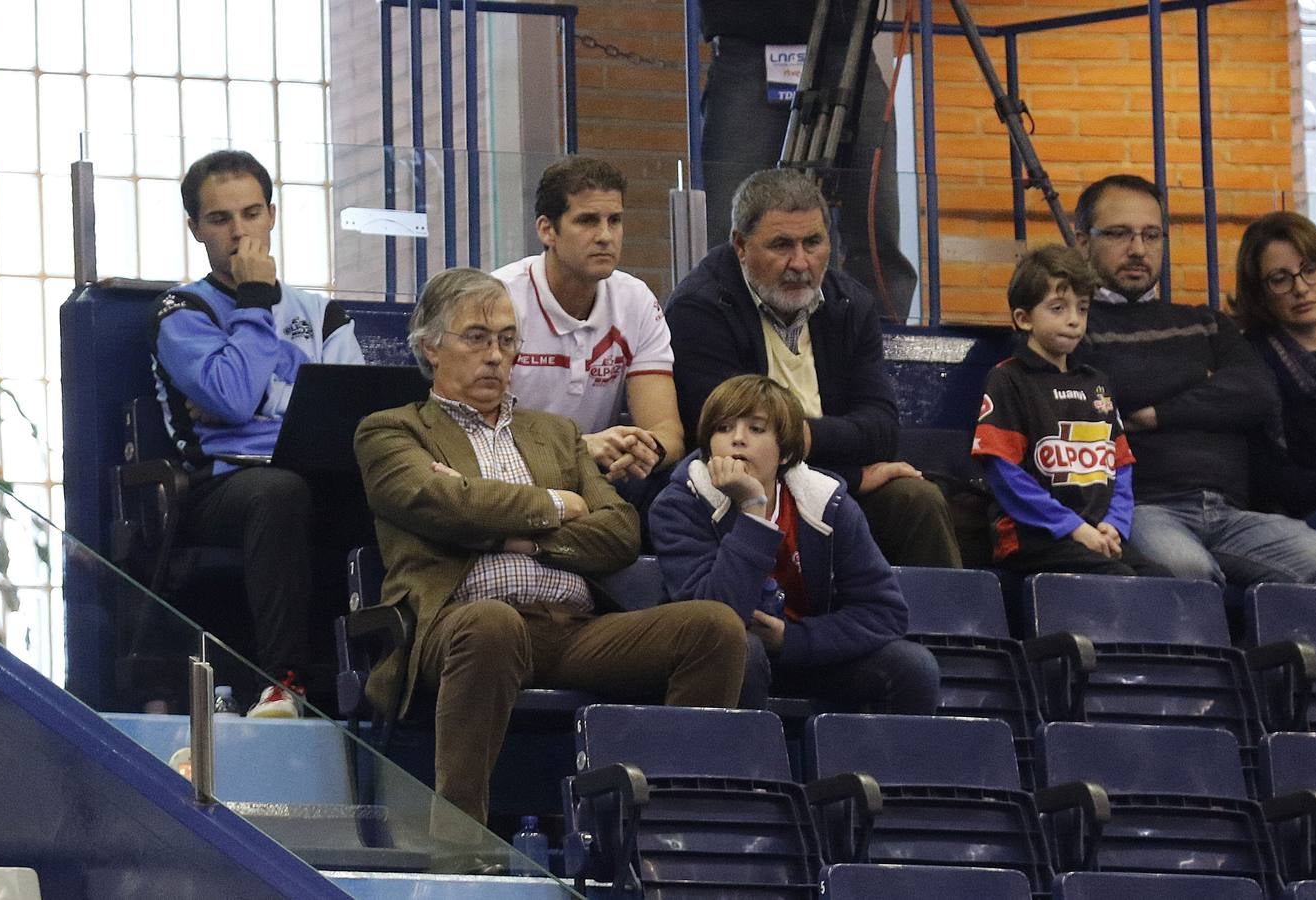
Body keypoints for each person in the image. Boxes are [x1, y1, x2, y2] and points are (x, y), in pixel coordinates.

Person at [353, 267, 747, 828]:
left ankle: (667, 831)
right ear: (430, 348)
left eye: (508, 339)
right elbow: (445, 505)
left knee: (715, 629)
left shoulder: (555, 434)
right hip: (459, 625)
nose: (496, 354)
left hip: (569, 627)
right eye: (476, 337)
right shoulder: (391, 431)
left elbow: (619, 533)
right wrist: (558, 505)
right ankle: (460, 843)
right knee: (492, 623)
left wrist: (522, 541)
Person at [149, 149, 365, 717]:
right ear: (196, 229)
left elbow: (356, 416)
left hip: (321, 475)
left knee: (402, 488)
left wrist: (249, 407)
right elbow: (233, 396)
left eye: (250, 214)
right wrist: (253, 299)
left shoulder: (323, 315)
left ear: (271, 215)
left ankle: (400, 677)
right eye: (220, 220)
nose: (239, 233)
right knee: (279, 490)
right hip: (221, 486)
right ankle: (283, 683)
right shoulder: (181, 311)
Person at [667, 167, 961, 568]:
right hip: (741, 492)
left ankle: (950, 632)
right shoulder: (699, 309)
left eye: (814, 242)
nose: (801, 263)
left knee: (917, 499)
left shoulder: (849, 304)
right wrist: (852, 476)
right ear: (740, 245)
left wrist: (797, 439)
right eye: (781, 245)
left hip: (827, 482)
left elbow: (881, 430)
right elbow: (734, 445)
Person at [1074, 174, 1316, 586]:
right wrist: (1202, 388)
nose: (1138, 249)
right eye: (1120, 234)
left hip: (1234, 512)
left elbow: (1256, 393)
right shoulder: (1073, 327)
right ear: (1083, 242)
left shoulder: (1205, 323)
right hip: (1143, 507)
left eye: (1152, 235)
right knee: (1188, 571)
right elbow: (1103, 396)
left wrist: (1157, 413)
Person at [650, 374, 939, 713]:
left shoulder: (827, 502)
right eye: (723, 428)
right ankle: (744, 767)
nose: (737, 440)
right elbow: (714, 618)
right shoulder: (680, 504)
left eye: (756, 429)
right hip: (721, 659)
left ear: (785, 452)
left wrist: (792, 640)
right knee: (744, 649)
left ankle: (872, 767)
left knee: (913, 668)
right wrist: (753, 512)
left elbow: (884, 613)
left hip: (806, 652)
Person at [491, 157, 684, 529]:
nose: (605, 236)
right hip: (508, 472)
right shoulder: (499, 299)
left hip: (598, 477)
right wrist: (579, 447)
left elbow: (667, 429)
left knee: (686, 478)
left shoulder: (637, 300)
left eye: (615, 220)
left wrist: (647, 450)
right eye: (587, 221)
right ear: (547, 230)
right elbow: (475, 430)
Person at [699, 0, 917, 320]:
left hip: (848, 44)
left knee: (875, 220)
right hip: (747, 42)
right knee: (727, 229)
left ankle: (879, 345)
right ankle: (732, 339)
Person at [973, 245, 1168, 577]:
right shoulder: (1007, 379)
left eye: (1083, 308)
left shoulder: (1098, 383)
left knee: (1166, 584)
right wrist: (1073, 528)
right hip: (1033, 539)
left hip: (1096, 536)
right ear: (1024, 319)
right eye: (1058, 308)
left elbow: (1120, 467)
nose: (1074, 320)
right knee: (1120, 580)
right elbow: (1004, 474)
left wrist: (1114, 525)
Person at [1232, 210, 1316, 529]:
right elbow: (1268, 476)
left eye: (1310, 269)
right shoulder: (1250, 357)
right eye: (1280, 279)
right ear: (1260, 293)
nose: (1301, 288)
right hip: (1299, 514)